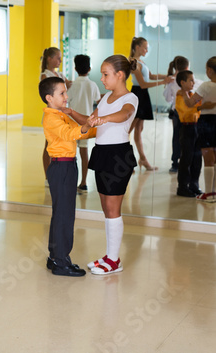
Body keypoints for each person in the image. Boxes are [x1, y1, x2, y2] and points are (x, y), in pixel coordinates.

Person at [74, 55, 139, 275]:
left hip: (118, 156)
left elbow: (125, 114)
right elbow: (90, 120)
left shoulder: (130, 98)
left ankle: (113, 260)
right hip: (101, 153)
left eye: (105, 74)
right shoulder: (106, 99)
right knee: (106, 208)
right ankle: (111, 256)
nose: (102, 78)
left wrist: (105, 119)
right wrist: (69, 112)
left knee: (113, 209)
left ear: (120, 75)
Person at [40, 77, 97, 277]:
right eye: (62, 93)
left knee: (61, 214)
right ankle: (61, 261)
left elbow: (81, 132)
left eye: (66, 92)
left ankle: (55, 256)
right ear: (49, 98)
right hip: (62, 167)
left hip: (66, 166)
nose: (67, 96)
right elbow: (70, 133)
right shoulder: (52, 118)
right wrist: (88, 124)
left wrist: (97, 128)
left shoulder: (61, 114)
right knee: (65, 215)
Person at [129, 37, 171, 171]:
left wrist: (169, 77)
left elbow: (151, 76)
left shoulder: (141, 61)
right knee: (128, 130)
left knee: (139, 130)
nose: (147, 50)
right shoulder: (133, 62)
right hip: (138, 94)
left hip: (143, 95)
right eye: (145, 47)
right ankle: (128, 160)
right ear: (137, 47)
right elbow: (142, 84)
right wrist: (164, 82)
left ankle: (142, 159)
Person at [182, 56, 216, 202]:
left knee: (208, 159)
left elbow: (190, 103)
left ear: (209, 70)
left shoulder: (205, 87)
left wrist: (183, 91)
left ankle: (209, 193)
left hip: (207, 122)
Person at [67, 54, 101, 193]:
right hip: (86, 124)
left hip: (72, 124)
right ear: (90, 68)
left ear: (75, 68)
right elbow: (98, 101)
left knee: (71, 154)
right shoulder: (92, 85)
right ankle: (84, 182)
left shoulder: (72, 85)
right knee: (84, 153)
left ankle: (71, 182)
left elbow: (66, 101)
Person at [40, 47, 72, 186]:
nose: (60, 60)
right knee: (49, 144)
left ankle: (57, 173)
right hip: (53, 113)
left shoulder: (59, 73)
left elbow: (66, 85)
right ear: (49, 59)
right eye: (58, 58)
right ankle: (48, 177)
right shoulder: (45, 75)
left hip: (62, 113)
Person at [174, 70, 208, 197]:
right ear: (182, 83)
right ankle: (182, 186)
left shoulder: (191, 94)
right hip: (187, 128)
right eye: (191, 80)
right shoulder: (180, 94)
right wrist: (201, 106)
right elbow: (187, 110)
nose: (194, 82)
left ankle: (194, 185)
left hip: (196, 128)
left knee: (197, 158)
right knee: (186, 158)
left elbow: (199, 106)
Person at [164, 56, 190, 173]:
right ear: (187, 67)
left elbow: (168, 99)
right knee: (189, 137)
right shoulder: (191, 80)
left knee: (176, 138)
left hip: (177, 112)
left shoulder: (171, 81)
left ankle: (175, 163)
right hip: (189, 113)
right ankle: (187, 162)